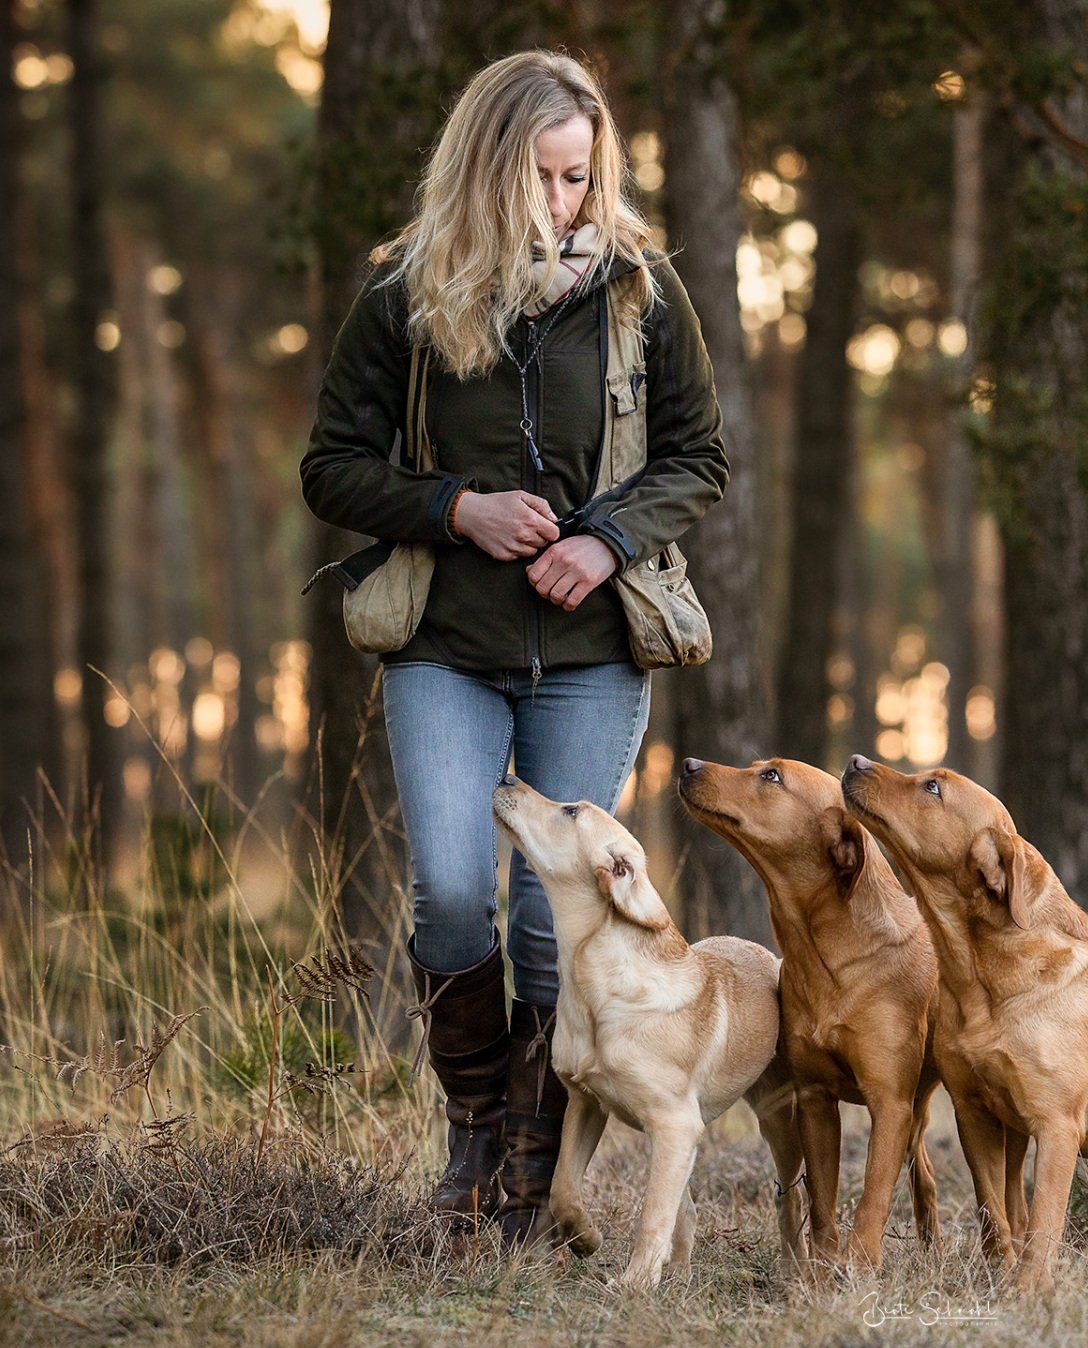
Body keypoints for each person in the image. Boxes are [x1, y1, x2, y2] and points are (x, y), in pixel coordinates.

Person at [299, 49, 729, 1246]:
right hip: (445, 643)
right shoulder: (403, 293)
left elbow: (699, 456)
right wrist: (457, 509)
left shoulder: (641, 289)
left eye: (579, 177)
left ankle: (536, 1166)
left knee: (554, 914)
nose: (563, 201)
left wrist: (604, 539)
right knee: (449, 891)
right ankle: (476, 1132)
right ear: (488, 169)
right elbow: (331, 466)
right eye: (541, 177)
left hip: (593, 650)